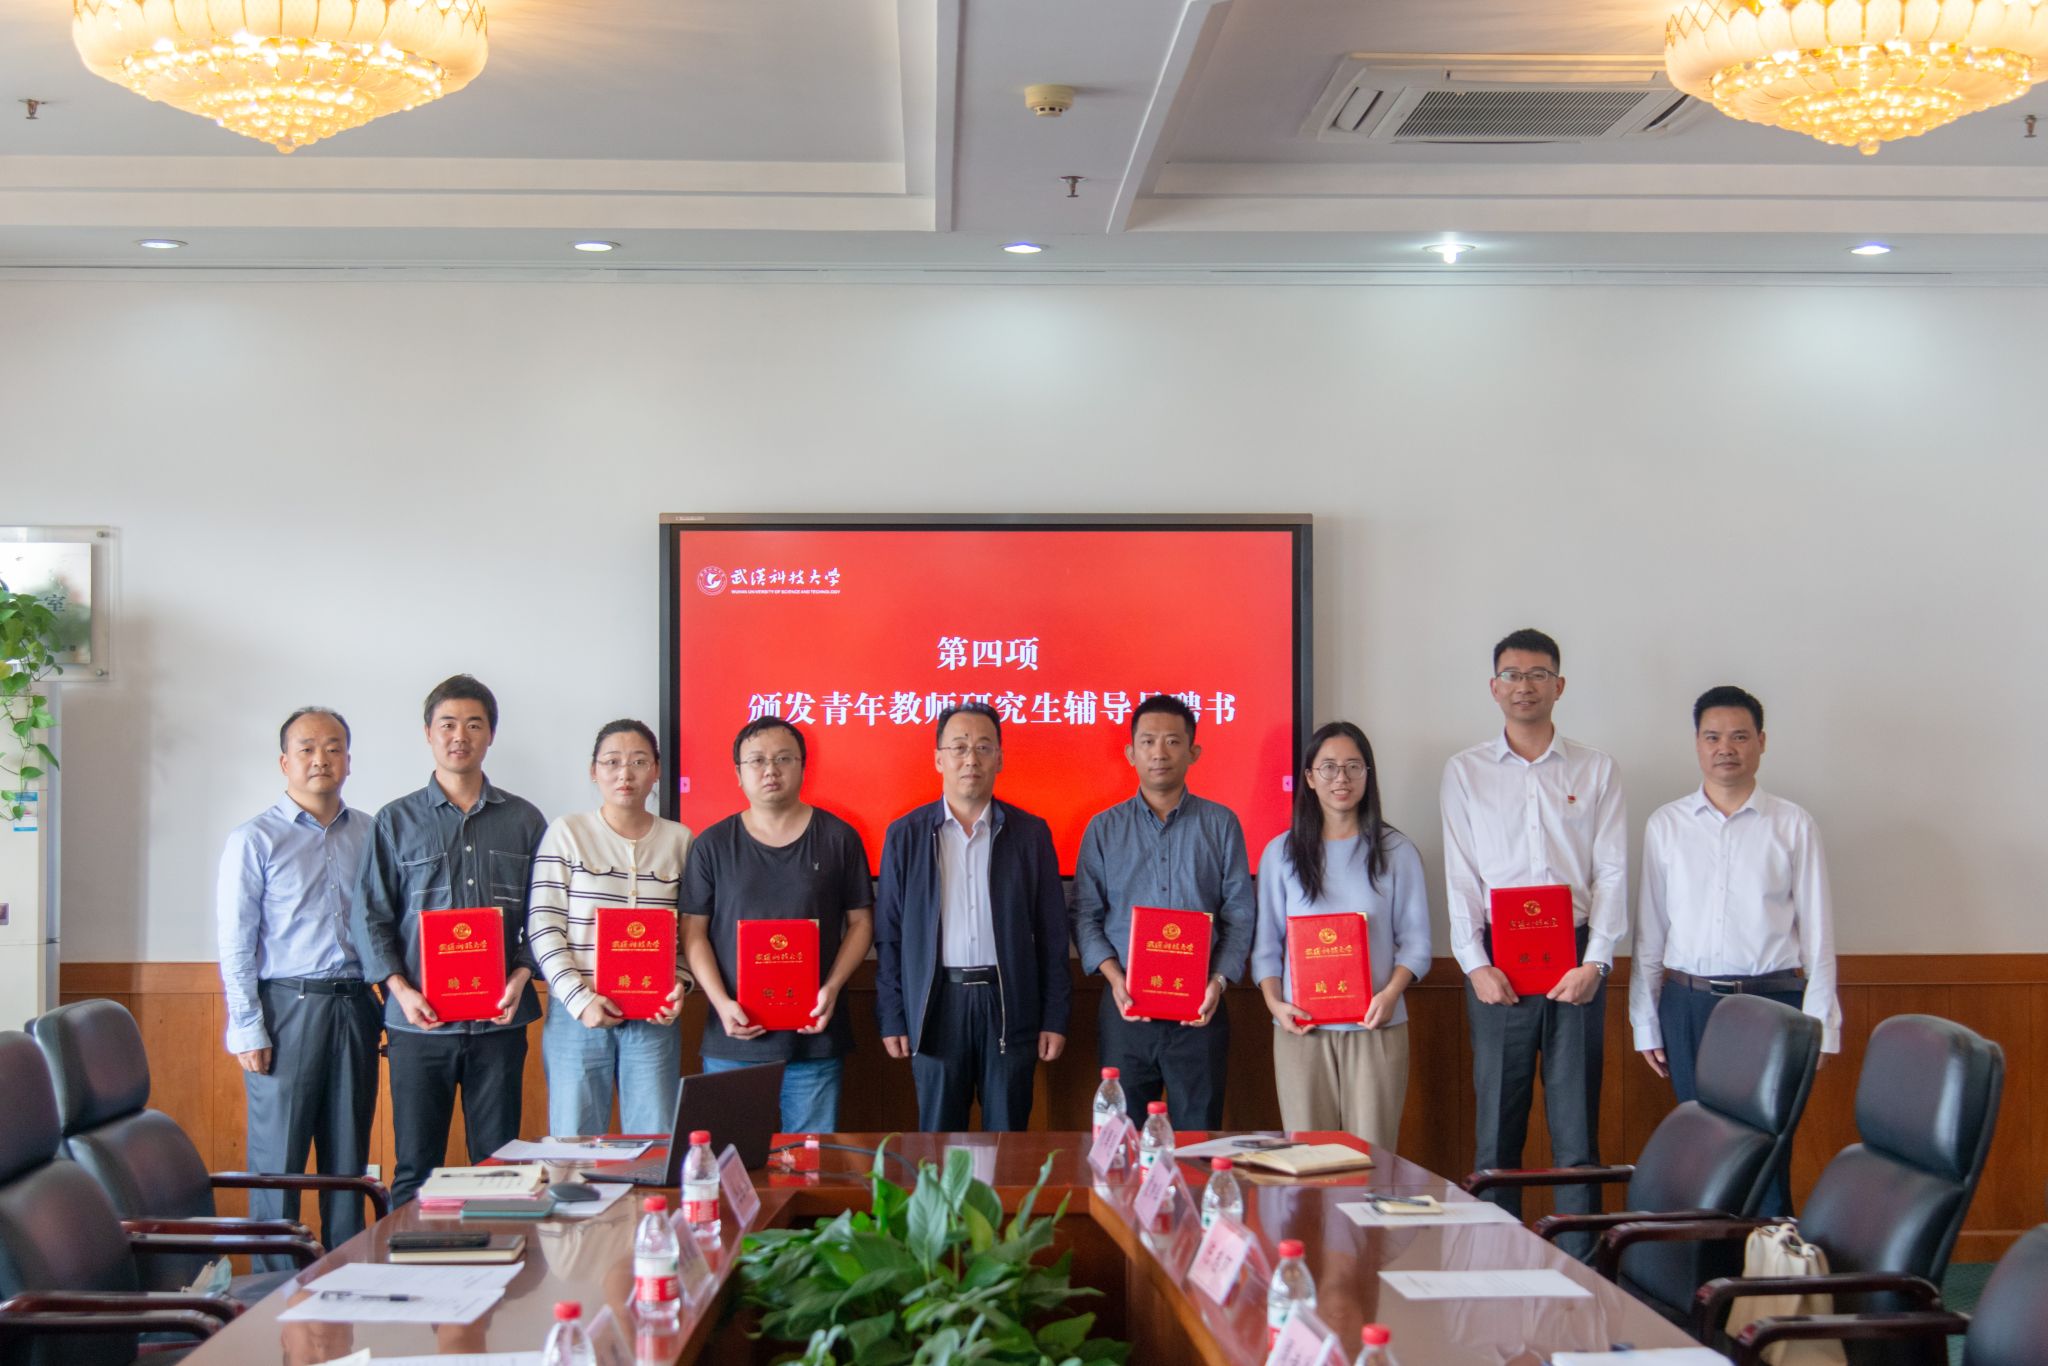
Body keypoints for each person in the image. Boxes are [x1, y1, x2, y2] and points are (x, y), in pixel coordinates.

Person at [1441, 629, 1626, 1238]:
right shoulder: (1465, 772)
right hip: (1498, 963)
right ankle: (1498, 1262)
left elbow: (1612, 873)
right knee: (1497, 1133)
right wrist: (1474, 964)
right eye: (1513, 675)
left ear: (1559, 685)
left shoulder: (1596, 769)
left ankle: (1583, 1266)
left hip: (1576, 958)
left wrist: (1597, 963)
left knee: (1577, 1135)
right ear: (1494, 687)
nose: (1525, 686)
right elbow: (1462, 876)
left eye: (1538, 674)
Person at [1630, 685, 1838, 1214]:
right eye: (1713, 737)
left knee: (1768, 1150)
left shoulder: (1793, 824)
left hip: (1774, 1006)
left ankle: (1770, 1261)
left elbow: (1819, 935)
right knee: (1703, 1151)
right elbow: (1650, 934)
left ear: (1761, 742)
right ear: (1697, 744)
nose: (1726, 748)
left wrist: (1821, 1025)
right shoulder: (1666, 825)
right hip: (1688, 1005)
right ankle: (1707, 1263)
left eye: (1740, 736)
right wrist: (1645, 1022)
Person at [351, 674, 547, 1205]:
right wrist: (400, 990)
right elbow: (370, 916)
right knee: (416, 1168)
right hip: (419, 1024)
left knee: (500, 1166)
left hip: (500, 1022)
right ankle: (410, 1260)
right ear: (428, 734)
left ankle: (500, 1258)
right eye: (448, 724)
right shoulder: (395, 820)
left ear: (491, 735)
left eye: (474, 725)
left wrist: (521, 974)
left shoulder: (525, 820)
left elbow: (545, 913)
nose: (460, 736)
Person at [215, 706, 381, 1256]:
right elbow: (235, 941)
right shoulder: (254, 839)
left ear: (349, 761)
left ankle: (347, 1276)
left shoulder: (371, 833)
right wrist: (247, 1027)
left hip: (356, 1005)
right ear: (284, 762)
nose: (320, 759)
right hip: (286, 1008)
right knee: (277, 1165)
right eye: (306, 749)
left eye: (333, 748)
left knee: (348, 1163)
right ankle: (272, 1288)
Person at [874, 701, 1071, 1131]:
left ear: (999, 758)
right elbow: (889, 936)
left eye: (983, 747)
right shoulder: (905, 835)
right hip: (935, 1005)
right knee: (938, 1142)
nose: (971, 759)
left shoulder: (1030, 833)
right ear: (938, 759)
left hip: (1009, 1002)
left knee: (1009, 1140)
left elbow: (1054, 936)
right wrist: (892, 1014)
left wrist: (1054, 1015)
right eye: (959, 747)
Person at [680, 717, 872, 1132]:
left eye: (784, 758)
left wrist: (832, 987)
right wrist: (721, 1002)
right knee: (732, 1159)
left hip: (814, 1037)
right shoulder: (712, 844)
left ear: (804, 767)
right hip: (734, 1039)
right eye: (757, 760)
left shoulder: (839, 837)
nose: (771, 769)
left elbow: (861, 923)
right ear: (738, 773)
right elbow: (693, 931)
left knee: (809, 1161)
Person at [1072, 694, 1254, 1129]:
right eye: (1148, 741)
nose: (1159, 752)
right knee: (1123, 1138)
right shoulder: (1103, 828)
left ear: (1194, 752)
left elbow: (1240, 915)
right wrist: (1115, 978)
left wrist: (1218, 981)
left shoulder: (1221, 824)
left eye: (1172, 741)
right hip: (1127, 1010)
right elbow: (1084, 915)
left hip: (1201, 1010)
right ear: (1130, 752)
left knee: (1198, 1137)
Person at [1251, 721, 1431, 1150]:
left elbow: (1417, 943)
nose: (1341, 778)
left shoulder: (1397, 851)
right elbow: (1266, 947)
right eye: (1328, 767)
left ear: (1368, 775)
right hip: (1301, 1030)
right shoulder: (1280, 853)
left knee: (1371, 1157)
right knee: (1308, 1157)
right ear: (1310, 778)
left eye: (1353, 766)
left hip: (1376, 1026)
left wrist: (1390, 995)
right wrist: (1275, 1004)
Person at [528, 719, 694, 1138]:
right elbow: (543, 924)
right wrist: (579, 999)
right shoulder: (568, 833)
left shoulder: (680, 841)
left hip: (653, 1019)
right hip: (577, 1016)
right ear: (593, 770)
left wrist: (679, 983)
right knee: (574, 1143)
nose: (625, 774)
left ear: (656, 770)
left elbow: (691, 931)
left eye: (639, 762)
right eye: (612, 762)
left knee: (655, 1142)